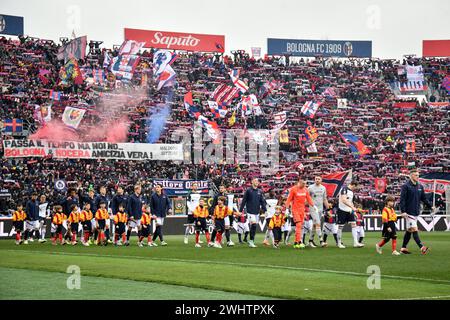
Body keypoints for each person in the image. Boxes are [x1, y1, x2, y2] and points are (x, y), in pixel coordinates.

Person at [399, 169, 434, 254]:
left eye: (418, 175)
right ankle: (422, 247)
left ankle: (403, 248)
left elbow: (424, 198)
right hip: (408, 213)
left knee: (409, 231)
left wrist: (430, 205)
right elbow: (402, 199)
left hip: (416, 212)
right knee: (414, 229)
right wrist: (403, 211)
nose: (418, 177)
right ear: (411, 176)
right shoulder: (406, 186)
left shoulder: (420, 186)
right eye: (416, 175)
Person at [285, 178, 316, 249]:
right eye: (304, 184)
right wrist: (287, 209)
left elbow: (309, 198)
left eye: (305, 184)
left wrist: (313, 206)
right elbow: (289, 199)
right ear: (300, 183)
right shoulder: (293, 189)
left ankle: (297, 242)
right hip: (295, 210)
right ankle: (298, 242)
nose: (305, 185)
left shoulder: (305, 189)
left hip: (302, 210)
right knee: (298, 225)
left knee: (301, 226)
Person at [239, 178, 267, 248]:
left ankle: (251, 241)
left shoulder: (260, 191)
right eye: (255, 181)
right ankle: (251, 241)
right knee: (254, 225)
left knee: (254, 227)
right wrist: (240, 211)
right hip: (250, 211)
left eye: (257, 181)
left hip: (257, 211)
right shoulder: (248, 190)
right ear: (252, 182)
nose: (257, 182)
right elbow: (244, 201)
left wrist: (265, 210)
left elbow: (262, 201)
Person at [336, 180, 363, 248]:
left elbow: (350, 202)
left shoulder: (351, 192)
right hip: (342, 210)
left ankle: (355, 242)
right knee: (340, 227)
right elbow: (344, 200)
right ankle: (339, 243)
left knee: (354, 224)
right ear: (353, 185)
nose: (356, 189)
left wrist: (353, 210)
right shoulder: (344, 189)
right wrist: (352, 207)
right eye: (356, 187)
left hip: (349, 211)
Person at [308, 176, 330, 247]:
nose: (317, 180)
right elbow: (307, 198)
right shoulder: (310, 187)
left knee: (315, 225)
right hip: (313, 208)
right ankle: (321, 241)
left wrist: (328, 209)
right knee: (318, 223)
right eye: (316, 179)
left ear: (321, 180)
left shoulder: (323, 188)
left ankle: (310, 240)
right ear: (314, 180)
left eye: (318, 179)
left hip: (320, 209)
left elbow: (324, 199)